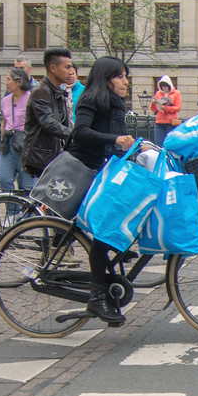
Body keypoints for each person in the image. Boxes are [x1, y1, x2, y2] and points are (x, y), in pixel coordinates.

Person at [64, 57, 137, 326]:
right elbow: (81, 131)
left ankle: (114, 258)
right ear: (106, 78)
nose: (126, 81)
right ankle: (95, 299)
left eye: (126, 76)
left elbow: (121, 141)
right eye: (120, 77)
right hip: (83, 171)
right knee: (103, 234)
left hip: (101, 171)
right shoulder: (91, 99)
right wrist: (115, 139)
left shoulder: (115, 104)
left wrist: (141, 147)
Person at [22, 47, 74, 180]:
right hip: (41, 157)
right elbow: (48, 123)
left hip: (53, 155)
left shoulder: (58, 91)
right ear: (53, 68)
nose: (70, 71)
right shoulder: (41, 91)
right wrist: (76, 135)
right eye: (67, 67)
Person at [0, 68, 35, 222]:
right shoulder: (6, 100)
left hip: (25, 143)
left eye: (9, 79)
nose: (6, 83)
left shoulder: (30, 98)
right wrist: (2, 139)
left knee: (27, 183)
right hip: (9, 142)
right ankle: (12, 212)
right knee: (4, 178)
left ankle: (26, 215)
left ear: (19, 82)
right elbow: (4, 121)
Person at [150, 75, 182, 145]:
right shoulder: (158, 93)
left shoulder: (176, 93)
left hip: (170, 122)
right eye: (162, 87)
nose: (164, 89)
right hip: (159, 122)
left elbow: (178, 107)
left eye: (165, 87)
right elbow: (154, 109)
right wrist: (153, 103)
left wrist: (166, 108)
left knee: (170, 143)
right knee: (159, 143)